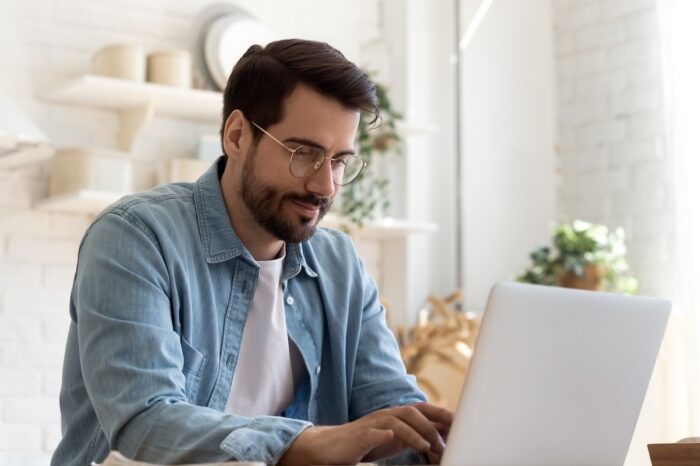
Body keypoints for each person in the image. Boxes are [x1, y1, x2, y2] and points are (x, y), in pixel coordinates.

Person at [51, 38, 452, 466]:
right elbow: (143, 427)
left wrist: (448, 442)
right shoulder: (135, 238)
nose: (325, 187)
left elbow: (394, 417)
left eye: (338, 161)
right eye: (305, 154)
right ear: (237, 135)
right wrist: (311, 443)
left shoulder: (340, 265)